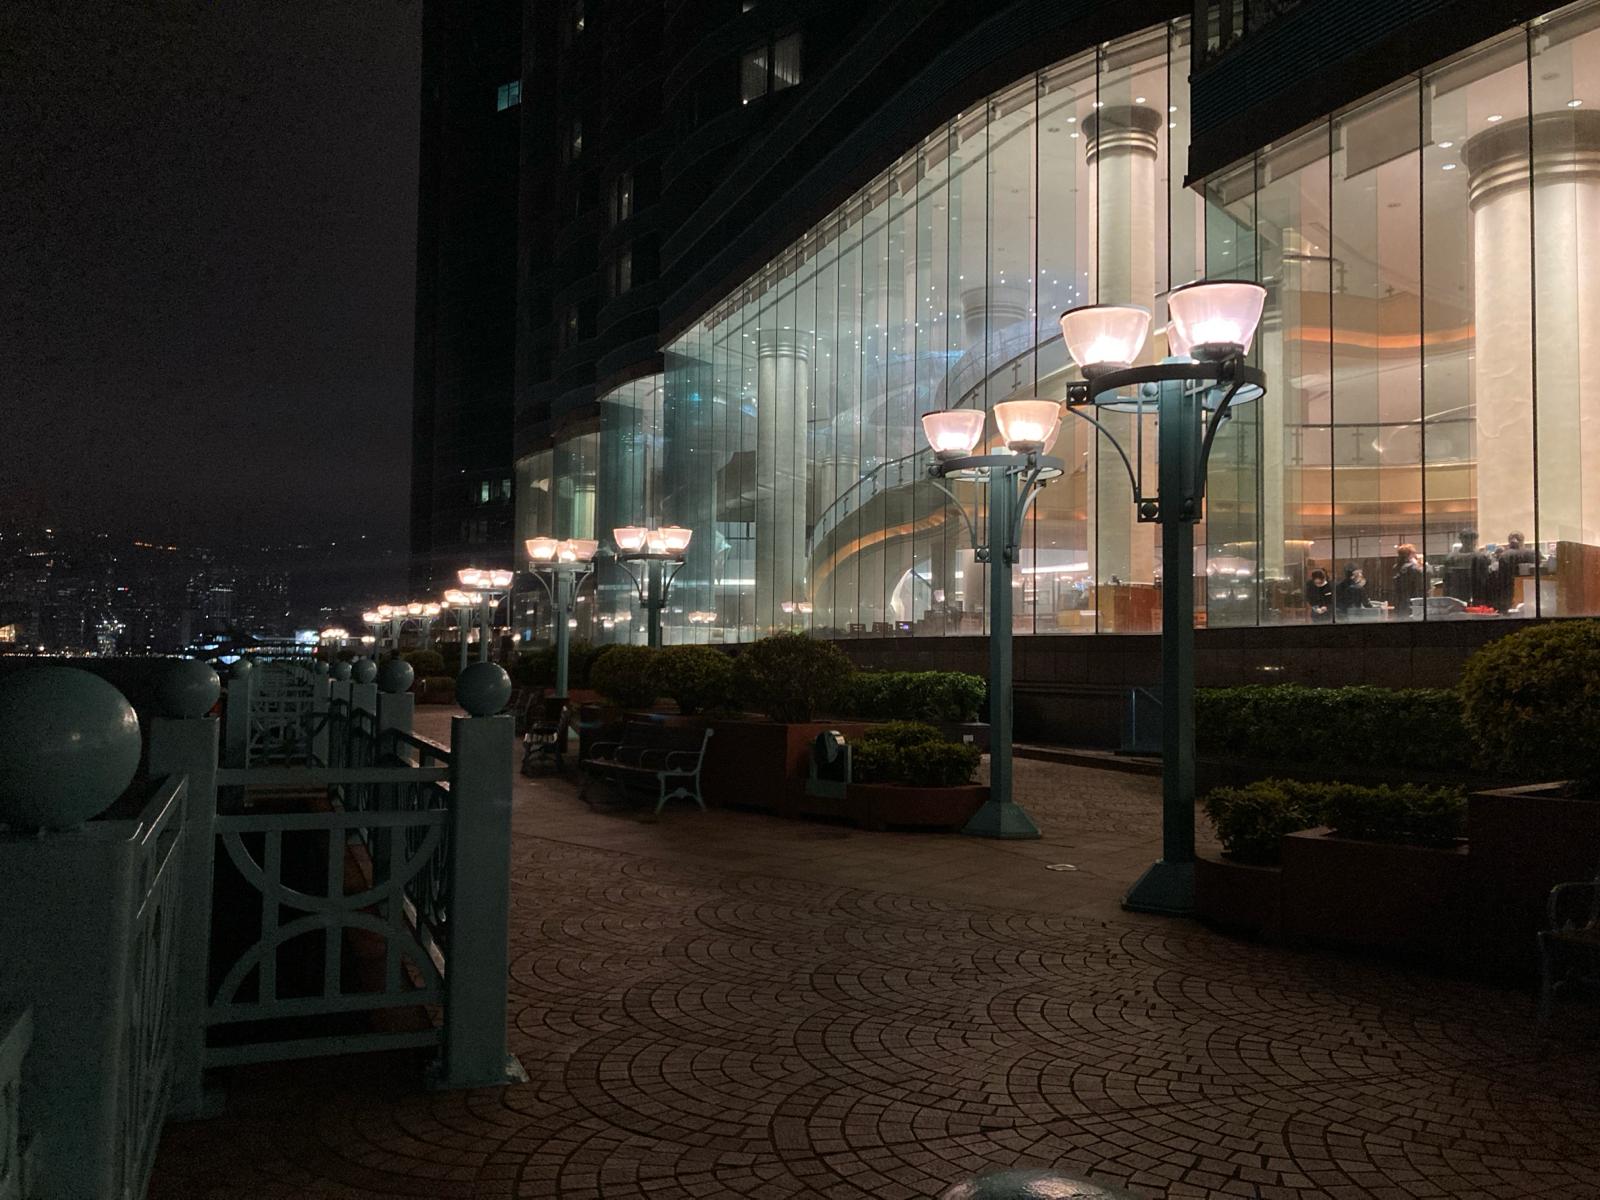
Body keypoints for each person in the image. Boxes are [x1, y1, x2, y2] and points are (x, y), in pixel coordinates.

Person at [1491, 531, 1541, 613]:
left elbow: (1501, 578)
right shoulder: (1533, 553)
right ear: (1522, 540)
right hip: (1530, 589)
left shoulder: (1504, 556)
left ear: (1510, 542)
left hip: (1509, 591)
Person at [1443, 530, 1491, 606]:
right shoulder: (1481, 557)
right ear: (1475, 541)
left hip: (1455, 598)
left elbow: (1446, 581)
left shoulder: (1451, 558)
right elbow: (1485, 580)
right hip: (1476, 597)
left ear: (1461, 540)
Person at [1393, 543, 1425, 618]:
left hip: (1399, 601)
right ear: (1410, 554)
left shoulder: (1396, 567)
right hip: (1413, 601)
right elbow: (1422, 580)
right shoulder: (1413, 567)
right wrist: (1418, 565)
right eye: (1414, 553)